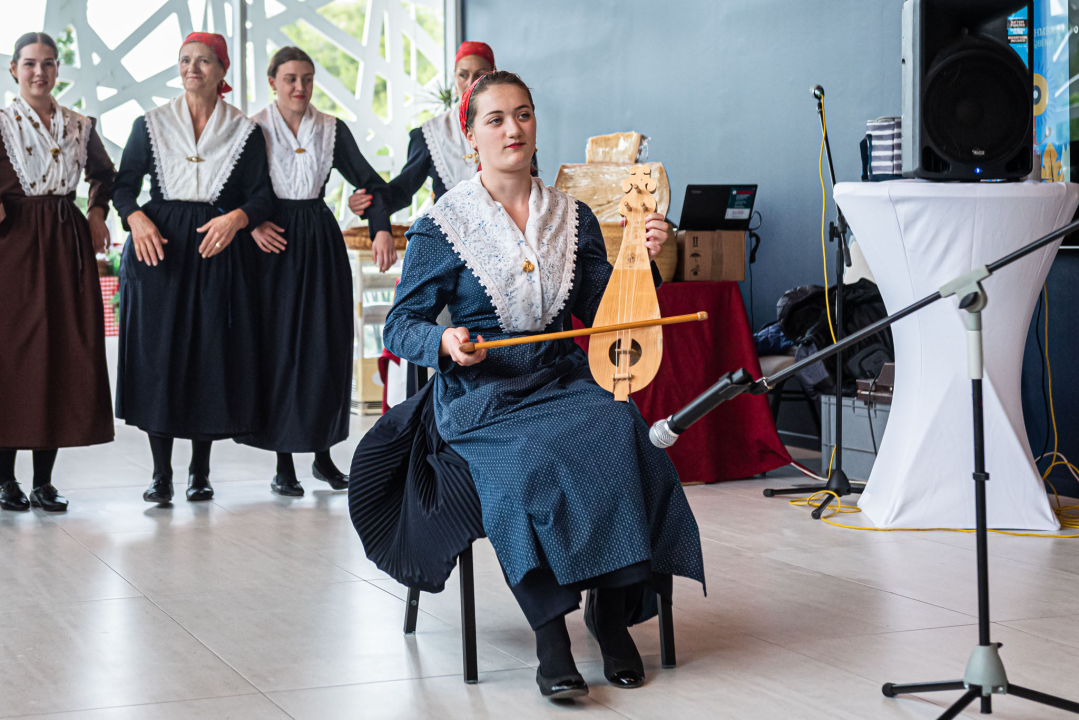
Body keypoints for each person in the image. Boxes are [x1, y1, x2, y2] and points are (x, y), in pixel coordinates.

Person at [356, 72, 705, 700]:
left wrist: (645, 260)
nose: (512, 129)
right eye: (495, 119)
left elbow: (606, 311)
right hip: (480, 395)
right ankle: (551, 636)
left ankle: (613, 614)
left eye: (523, 114)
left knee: (624, 430)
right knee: (524, 463)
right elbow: (403, 323)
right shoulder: (443, 225)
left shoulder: (573, 218)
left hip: (561, 377)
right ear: (471, 137)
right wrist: (443, 343)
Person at [112, 32, 273, 505]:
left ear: (222, 71)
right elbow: (124, 187)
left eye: (203, 61)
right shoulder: (150, 124)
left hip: (217, 250)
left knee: (209, 355)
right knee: (158, 356)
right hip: (157, 250)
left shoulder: (245, 131)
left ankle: (198, 473)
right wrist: (136, 217)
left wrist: (238, 217)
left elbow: (262, 196)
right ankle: (160, 475)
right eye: (185, 61)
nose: (192, 69)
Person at [239, 47, 394, 496]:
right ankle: (283, 464)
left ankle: (323, 456)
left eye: (307, 78)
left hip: (320, 240)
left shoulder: (331, 128)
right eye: (290, 78)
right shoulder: (253, 129)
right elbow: (228, 190)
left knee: (325, 345)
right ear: (273, 82)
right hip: (271, 243)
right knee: (278, 347)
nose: (299, 87)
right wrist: (250, 228)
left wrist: (379, 228)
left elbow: (369, 181)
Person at [0, 32, 116, 513]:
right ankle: (5, 480)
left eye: (48, 63)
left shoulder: (78, 123)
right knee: (14, 355)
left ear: (57, 70)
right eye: (29, 64)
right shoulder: (1, 122)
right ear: (13, 70)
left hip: (66, 238)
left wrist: (96, 212)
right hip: (14, 244)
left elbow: (105, 173)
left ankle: (43, 480)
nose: (39, 72)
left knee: (62, 354)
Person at [364, 41, 497, 272]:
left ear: (492, 77)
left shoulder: (508, 128)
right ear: (454, 77)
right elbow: (401, 191)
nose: (470, 83)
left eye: (480, 74)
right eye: (463, 75)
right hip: (447, 246)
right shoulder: (431, 135)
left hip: (499, 242)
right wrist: (378, 219)